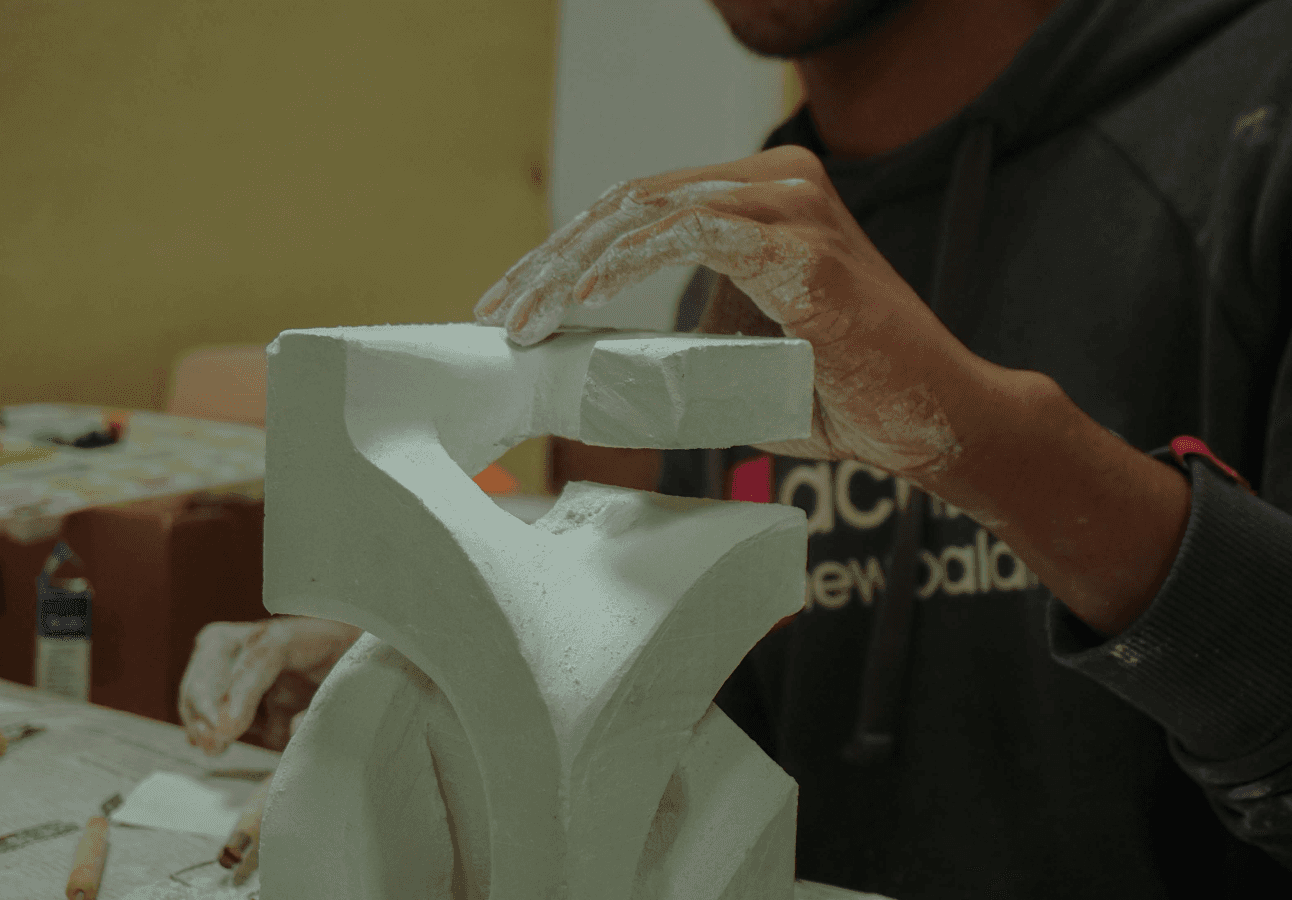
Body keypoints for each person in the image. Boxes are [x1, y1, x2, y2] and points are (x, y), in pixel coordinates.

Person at [181, 0, 1292, 895]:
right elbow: (723, 709)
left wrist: (990, 446)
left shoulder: (1254, 124)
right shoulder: (749, 273)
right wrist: (466, 660)